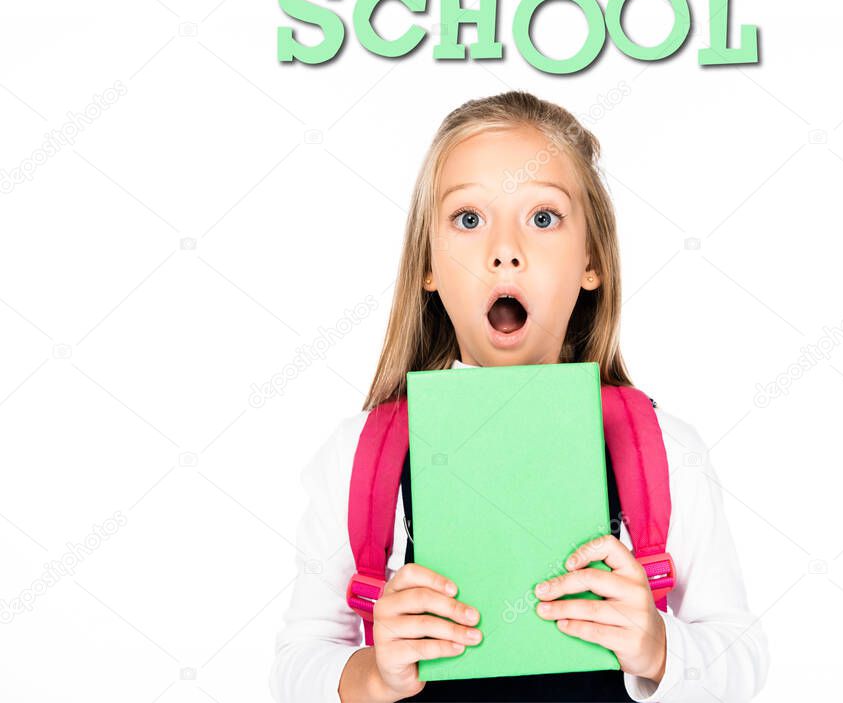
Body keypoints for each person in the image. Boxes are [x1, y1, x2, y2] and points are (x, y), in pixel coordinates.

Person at [269, 90, 770, 702]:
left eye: (542, 218)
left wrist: (659, 647)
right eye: (469, 219)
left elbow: (742, 660)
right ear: (428, 264)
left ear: (592, 260)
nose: (504, 251)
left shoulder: (663, 450)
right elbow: (296, 669)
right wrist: (372, 674)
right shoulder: (359, 457)